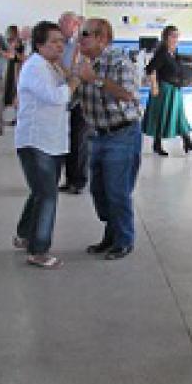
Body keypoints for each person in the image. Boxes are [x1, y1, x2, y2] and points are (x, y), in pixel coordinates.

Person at [13, 21, 79, 269]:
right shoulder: (35, 67)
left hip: (51, 140)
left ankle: (24, 234)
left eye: (62, 41)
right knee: (47, 194)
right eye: (54, 41)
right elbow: (55, 97)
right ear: (39, 45)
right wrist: (74, 82)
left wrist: (69, 75)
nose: (60, 46)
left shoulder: (50, 66)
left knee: (40, 191)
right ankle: (38, 250)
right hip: (36, 140)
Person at [75, 18, 142, 260]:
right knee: (99, 191)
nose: (79, 39)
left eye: (84, 34)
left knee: (117, 191)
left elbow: (128, 94)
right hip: (97, 135)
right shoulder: (85, 63)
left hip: (122, 134)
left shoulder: (119, 61)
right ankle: (111, 233)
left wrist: (95, 79)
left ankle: (124, 240)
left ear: (102, 38)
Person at [141, 25, 192, 156]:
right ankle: (157, 144)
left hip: (175, 90)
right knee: (161, 117)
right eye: (173, 36)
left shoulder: (173, 52)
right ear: (166, 37)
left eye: (177, 36)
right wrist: (154, 85)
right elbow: (150, 69)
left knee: (179, 117)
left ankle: (188, 142)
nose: (175, 39)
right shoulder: (162, 53)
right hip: (164, 90)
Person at [58, 11, 89, 194]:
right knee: (67, 140)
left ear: (75, 25)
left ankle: (78, 181)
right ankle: (70, 178)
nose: (60, 25)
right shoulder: (61, 44)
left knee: (79, 140)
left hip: (80, 97)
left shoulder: (82, 46)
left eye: (65, 23)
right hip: (64, 96)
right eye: (61, 22)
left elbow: (79, 71)